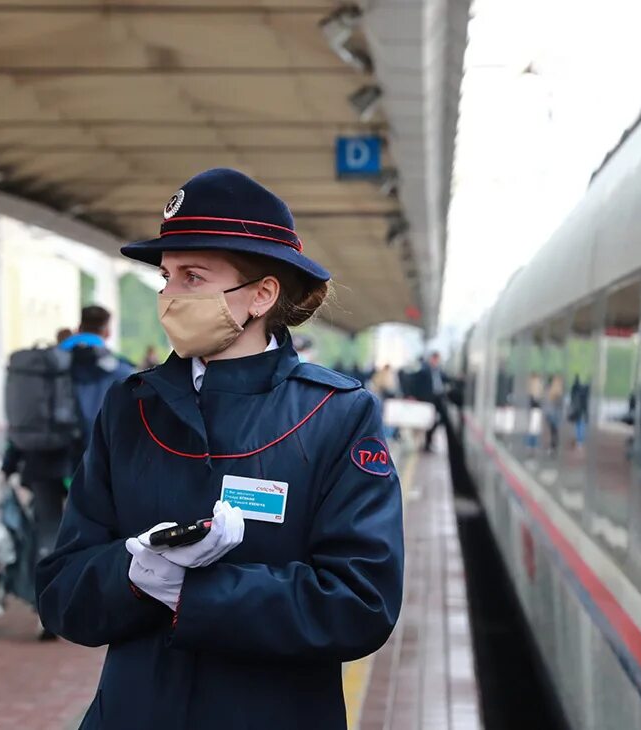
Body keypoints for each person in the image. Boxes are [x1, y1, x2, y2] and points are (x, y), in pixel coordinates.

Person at [35, 168, 404, 729]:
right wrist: (133, 574)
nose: (170, 296)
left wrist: (195, 592)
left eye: (193, 277)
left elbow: (361, 602)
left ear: (262, 295)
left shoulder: (336, 414)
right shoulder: (131, 408)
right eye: (166, 278)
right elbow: (63, 591)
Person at [2, 304, 134, 638]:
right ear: (105, 328)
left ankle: (42, 609)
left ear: (78, 325)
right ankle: (90, 602)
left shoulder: (48, 364)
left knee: (47, 531)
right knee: (96, 531)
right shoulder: (113, 367)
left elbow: (29, 414)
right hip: (88, 463)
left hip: (43, 460)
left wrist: (11, 460)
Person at [413, 351, 453, 453]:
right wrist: (414, 396)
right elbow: (415, 383)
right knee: (429, 421)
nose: (436, 361)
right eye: (434, 359)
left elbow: (446, 379)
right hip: (428, 399)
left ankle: (428, 441)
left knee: (443, 419)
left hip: (439, 398)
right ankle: (427, 443)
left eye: (437, 360)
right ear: (431, 359)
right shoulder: (424, 370)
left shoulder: (439, 371)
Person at [568, 375, 589, 447]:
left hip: (577, 409)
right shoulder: (585, 389)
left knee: (578, 425)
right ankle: (579, 441)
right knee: (580, 425)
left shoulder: (575, 388)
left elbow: (572, 399)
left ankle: (578, 440)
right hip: (582, 410)